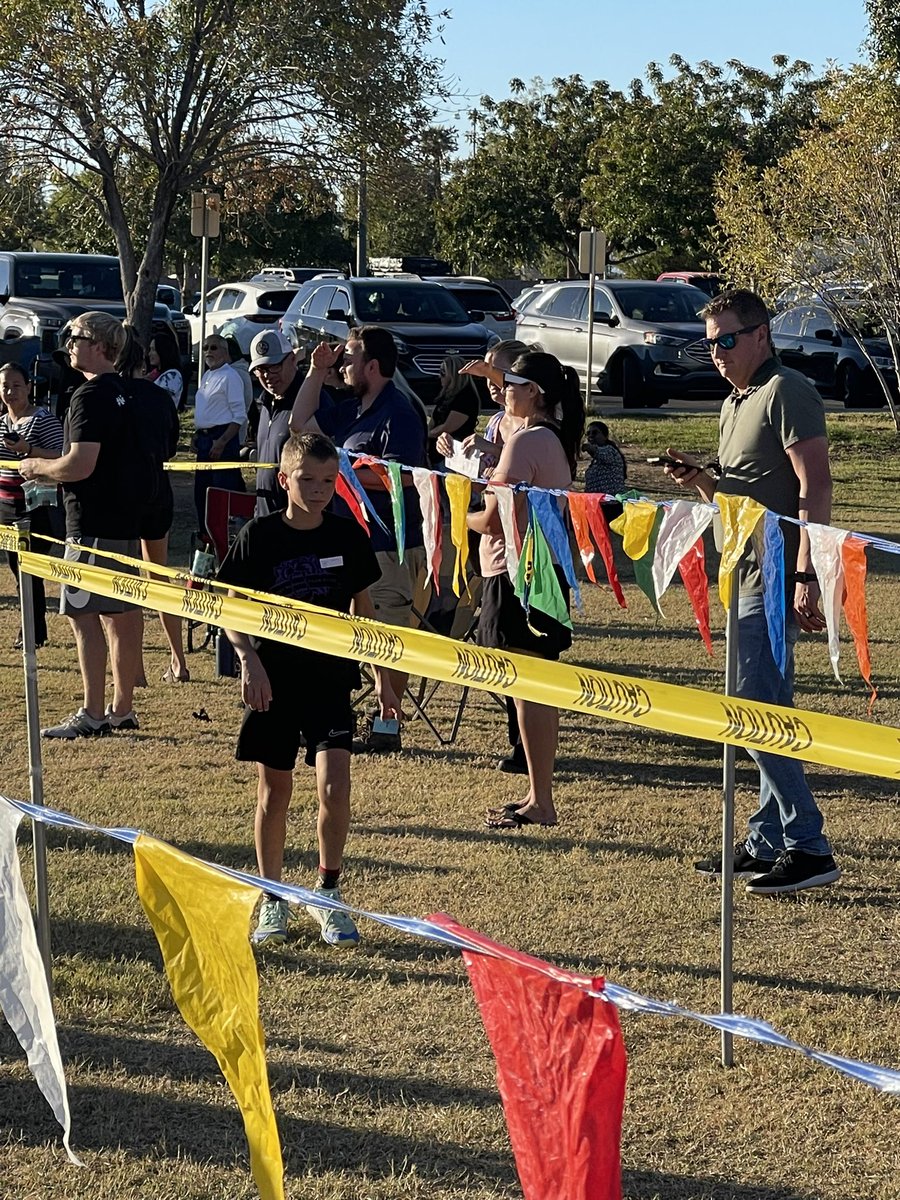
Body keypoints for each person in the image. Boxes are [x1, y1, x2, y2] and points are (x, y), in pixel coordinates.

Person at [665, 288, 840, 896]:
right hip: (742, 566)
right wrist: (702, 482)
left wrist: (805, 573)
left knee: (755, 709)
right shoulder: (735, 400)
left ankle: (809, 844)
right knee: (761, 707)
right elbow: (735, 501)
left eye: (728, 339)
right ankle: (767, 837)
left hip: (773, 573)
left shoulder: (785, 390)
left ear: (761, 334)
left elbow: (813, 485)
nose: (717, 351)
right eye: (709, 342)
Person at [217, 431, 400, 946]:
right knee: (274, 792)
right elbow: (230, 607)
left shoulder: (347, 536)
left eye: (327, 480)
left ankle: (328, 894)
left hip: (330, 682)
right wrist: (249, 659)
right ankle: (272, 898)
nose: (319, 490)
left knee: (334, 788)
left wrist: (385, 680)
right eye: (307, 480)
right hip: (273, 682)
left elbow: (368, 616)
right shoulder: (259, 535)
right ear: (284, 479)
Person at [290, 326, 428, 753]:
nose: (343, 366)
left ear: (373, 365)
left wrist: (341, 475)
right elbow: (299, 427)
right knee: (350, 632)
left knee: (386, 636)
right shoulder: (351, 409)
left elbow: (399, 477)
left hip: (388, 544)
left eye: (349, 359)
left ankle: (388, 726)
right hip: (347, 543)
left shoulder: (399, 412)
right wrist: (315, 373)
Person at [465, 351, 585, 828]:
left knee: (530, 689)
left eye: (509, 383)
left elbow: (493, 521)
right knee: (530, 689)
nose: (502, 390)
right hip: (538, 573)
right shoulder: (543, 436)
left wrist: (462, 514)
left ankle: (542, 801)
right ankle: (539, 796)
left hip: (521, 576)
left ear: (532, 391)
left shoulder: (529, 441)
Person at [20, 312, 148, 738]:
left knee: (84, 617)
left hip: (92, 522)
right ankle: (121, 708)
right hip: (126, 520)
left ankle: (94, 713)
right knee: (122, 615)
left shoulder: (87, 396)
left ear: (97, 345)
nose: (68, 344)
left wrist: (38, 465)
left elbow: (79, 464)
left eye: (73, 336)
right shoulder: (130, 392)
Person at [436, 338, 535, 774]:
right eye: (489, 376)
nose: (492, 385)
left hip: (523, 554)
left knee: (519, 654)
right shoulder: (497, 421)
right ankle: (519, 739)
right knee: (498, 649)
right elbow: (484, 482)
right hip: (492, 552)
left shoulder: (534, 425)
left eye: (500, 375)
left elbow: (520, 476)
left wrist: (462, 512)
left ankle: (525, 748)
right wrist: (455, 454)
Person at [116, 328, 186, 683]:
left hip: (124, 497)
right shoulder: (159, 397)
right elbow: (172, 446)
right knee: (158, 578)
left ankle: (137, 670)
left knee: (127, 584)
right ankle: (177, 659)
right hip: (159, 492)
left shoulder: (108, 394)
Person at [0, 362, 64, 647]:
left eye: (16, 385)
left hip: (37, 506)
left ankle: (32, 632)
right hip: (6, 506)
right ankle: (33, 630)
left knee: (29, 569)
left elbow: (62, 455)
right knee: (17, 568)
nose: (10, 391)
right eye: (4, 386)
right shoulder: (2, 422)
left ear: (28, 386)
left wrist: (28, 450)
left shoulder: (43, 419)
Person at [192, 333, 246, 533]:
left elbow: (239, 416)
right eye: (205, 348)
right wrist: (197, 434)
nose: (208, 352)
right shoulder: (207, 375)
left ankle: (225, 534)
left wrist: (222, 441)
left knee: (221, 492)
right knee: (202, 492)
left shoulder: (230, 376)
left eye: (213, 348)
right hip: (205, 439)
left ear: (225, 351)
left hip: (222, 439)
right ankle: (206, 534)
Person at [248, 330, 303, 517]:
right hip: (265, 520)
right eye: (260, 369)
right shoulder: (265, 403)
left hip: (295, 524)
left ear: (292, 359)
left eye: (275, 366)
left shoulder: (308, 402)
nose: (268, 375)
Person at [426, 355, 480, 467]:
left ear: (453, 374)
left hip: (452, 455)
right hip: (436, 452)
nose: (439, 376)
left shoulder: (465, 397)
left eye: (443, 372)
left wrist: (426, 435)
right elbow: (434, 421)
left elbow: (448, 427)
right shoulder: (446, 395)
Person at [582, 420, 626, 521]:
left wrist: (584, 447)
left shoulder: (609, 451)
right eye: (588, 434)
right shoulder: (596, 460)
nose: (591, 436)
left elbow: (596, 451)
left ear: (605, 436)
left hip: (611, 507)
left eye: (595, 432)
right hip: (598, 507)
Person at [146, 330, 184, 410]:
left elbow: (159, 400)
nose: (149, 354)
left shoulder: (173, 375)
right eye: (150, 349)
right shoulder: (154, 374)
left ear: (163, 351)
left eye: (153, 349)